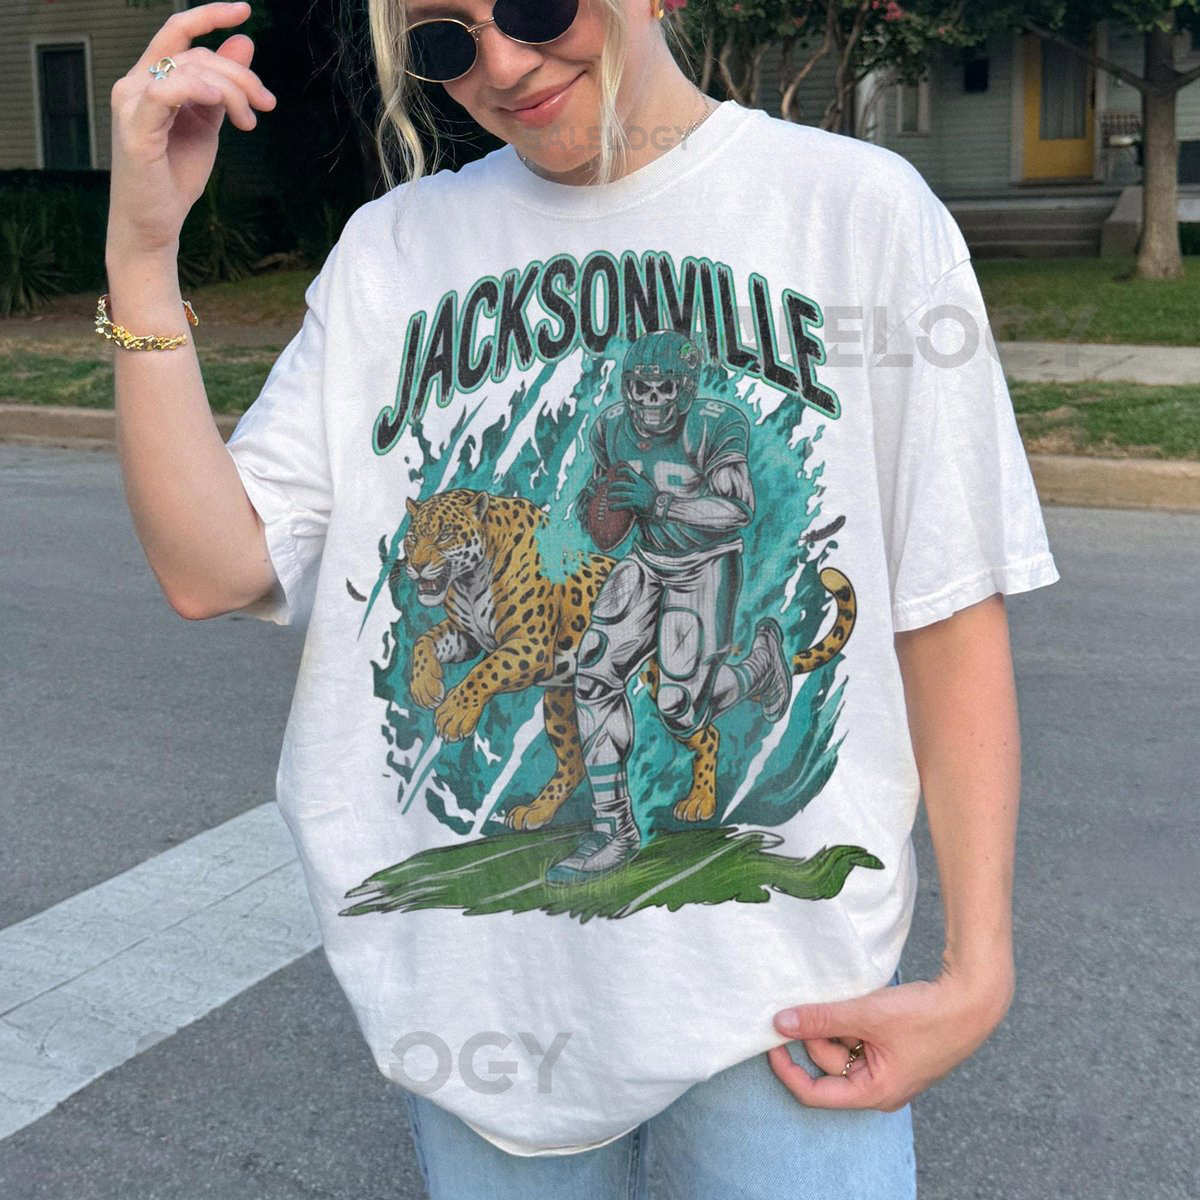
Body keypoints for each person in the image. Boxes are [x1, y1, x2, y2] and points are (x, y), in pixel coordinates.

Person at [103, 1, 1060, 1197]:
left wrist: (979, 968)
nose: (503, 62)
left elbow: (948, 609)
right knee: (599, 676)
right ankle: (606, 815)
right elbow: (212, 570)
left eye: (534, 5)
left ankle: (744, 682)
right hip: (485, 1026)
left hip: (789, 1010)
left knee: (682, 688)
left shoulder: (856, 212)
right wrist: (141, 259)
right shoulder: (393, 252)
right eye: (445, 40)